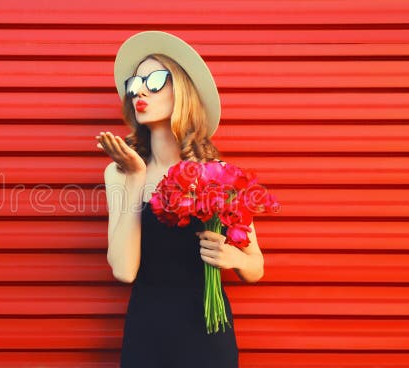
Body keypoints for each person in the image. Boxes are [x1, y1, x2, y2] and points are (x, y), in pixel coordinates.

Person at [95, 31, 264, 368]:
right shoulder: (120, 173)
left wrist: (235, 258)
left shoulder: (219, 174)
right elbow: (125, 270)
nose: (139, 90)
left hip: (207, 333)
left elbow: (256, 265)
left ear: (183, 92)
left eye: (155, 80)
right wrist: (136, 176)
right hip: (146, 333)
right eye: (135, 82)